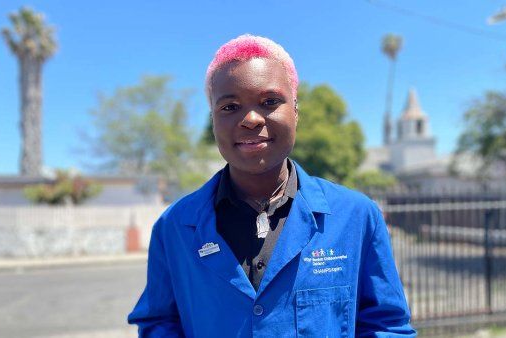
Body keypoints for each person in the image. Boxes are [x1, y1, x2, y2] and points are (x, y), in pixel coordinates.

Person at [128, 34, 416, 337]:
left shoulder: (355, 217)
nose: (251, 118)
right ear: (213, 119)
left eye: (270, 102)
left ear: (296, 111)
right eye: (229, 107)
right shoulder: (174, 227)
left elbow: (387, 326)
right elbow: (159, 322)